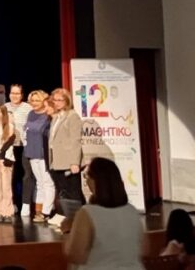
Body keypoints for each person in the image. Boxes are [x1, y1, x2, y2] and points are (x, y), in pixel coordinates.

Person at [62, 157, 144, 270]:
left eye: (87, 176)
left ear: (94, 181)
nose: (86, 181)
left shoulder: (87, 214)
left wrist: (68, 231)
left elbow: (76, 255)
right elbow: (144, 249)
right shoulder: (132, 211)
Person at [49, 88, 85, 220]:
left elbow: (76, 140)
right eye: (55, 100)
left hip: (68, 162)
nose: (57, 102)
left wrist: (75, 162)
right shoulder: (56, 117)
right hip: (57, 161)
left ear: (67, 101)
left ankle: (79, 219)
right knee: (62, 191)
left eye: (60, 100)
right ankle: (65, 217)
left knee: (73, 192)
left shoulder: (72, 116)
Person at [23, 90, 55, 222]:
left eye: (37, 100)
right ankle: (39, 210)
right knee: (39, 183)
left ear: (44, 101)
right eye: (32, 100)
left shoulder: (48, 115)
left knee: (48, 183)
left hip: (43, 154)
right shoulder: (31, 114)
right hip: (32, 153)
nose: (34, 103)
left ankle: (47, 212)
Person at [4, 84, 32, 210]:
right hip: (9, 147)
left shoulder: (28, 108)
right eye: (12, 93)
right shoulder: (5, 107)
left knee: (25, 175)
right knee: (11, 176)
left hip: (24, 146)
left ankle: (25, 203)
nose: (14, 96)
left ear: (22, 95)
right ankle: (13, 202)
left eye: (17, 93)